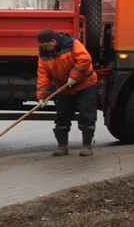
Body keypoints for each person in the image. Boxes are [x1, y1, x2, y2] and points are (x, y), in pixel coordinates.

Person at [36, 28, 98, 156]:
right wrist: (42, 96)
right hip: (64, 87)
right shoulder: (43, 53)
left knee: (87, 115)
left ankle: (87, 146)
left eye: (47, 45)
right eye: (43, 46)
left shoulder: (72, 43)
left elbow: (85, 59)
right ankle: (62, 147)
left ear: (53, 41)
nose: (46, 48)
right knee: (62, 116)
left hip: (85, 84)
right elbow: (43, 74)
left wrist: (74, 77)